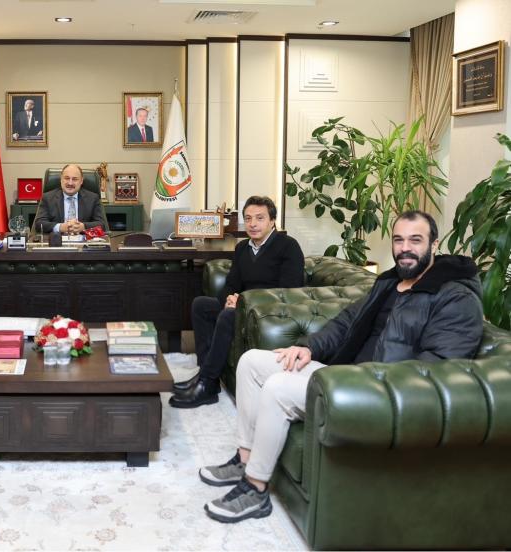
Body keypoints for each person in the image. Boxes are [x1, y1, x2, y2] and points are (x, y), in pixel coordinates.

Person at [199, 210, 484, 524]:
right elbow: (347, 321)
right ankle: (245, 458)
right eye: (398, 240)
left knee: (278, 388)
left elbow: (436, 371)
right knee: (252, 362)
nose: (405, 248)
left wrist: (367, 380)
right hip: (344, 377)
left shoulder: (455, 298)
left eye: (415, 240)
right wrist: (308, 347)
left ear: (434, 244)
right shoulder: (390, 282)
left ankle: (255, 488)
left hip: (377, 394)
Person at [170, 196, 304, 408]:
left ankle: (207, 384)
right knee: (201, 305)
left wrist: (243, 301)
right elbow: (232, 283)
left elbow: (288, 291)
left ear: (272, 220)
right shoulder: (242, 248)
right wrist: (229, 298)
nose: (253, 224)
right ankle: (205, 374)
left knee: (228, 315)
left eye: (260, 218)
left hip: (269, 312)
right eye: (248, 218)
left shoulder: (288, 246)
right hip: (242, 306)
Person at [33, 164, 109, 234]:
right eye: (67, 178)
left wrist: (83, 227)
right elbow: (39, 224)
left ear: (81, 181)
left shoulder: (93, 198)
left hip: (84, 242)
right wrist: (60, 227)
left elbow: (102, 225)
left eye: (75, 179)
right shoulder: (48, 198)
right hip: (57, 241)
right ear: (61, 179)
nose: (70, 183)